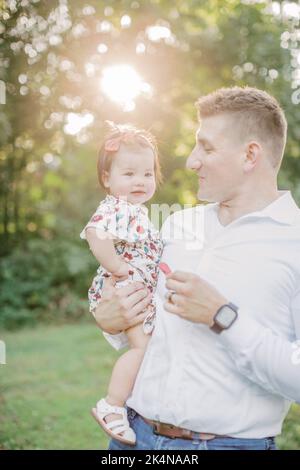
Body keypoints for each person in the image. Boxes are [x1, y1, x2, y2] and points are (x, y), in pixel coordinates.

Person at [94, 87, 300, 451]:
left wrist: (223, 316)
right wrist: (111, 320)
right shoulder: (175, 225)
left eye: (206, 147)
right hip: (133, 437)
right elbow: (141, 326)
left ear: (250, 154)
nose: (191, 161)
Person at [80, 121, 163, 445]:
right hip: (123, 287)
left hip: (133, 287)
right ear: (107, 178)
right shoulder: (117, 207)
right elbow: (94, 233)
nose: (140, 181)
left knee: (146, 347)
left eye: (147, 173)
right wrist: (121, 271)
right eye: (129, 174)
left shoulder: (135, 211)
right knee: (142, 348)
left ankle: (132, 401)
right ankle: (112, 405)